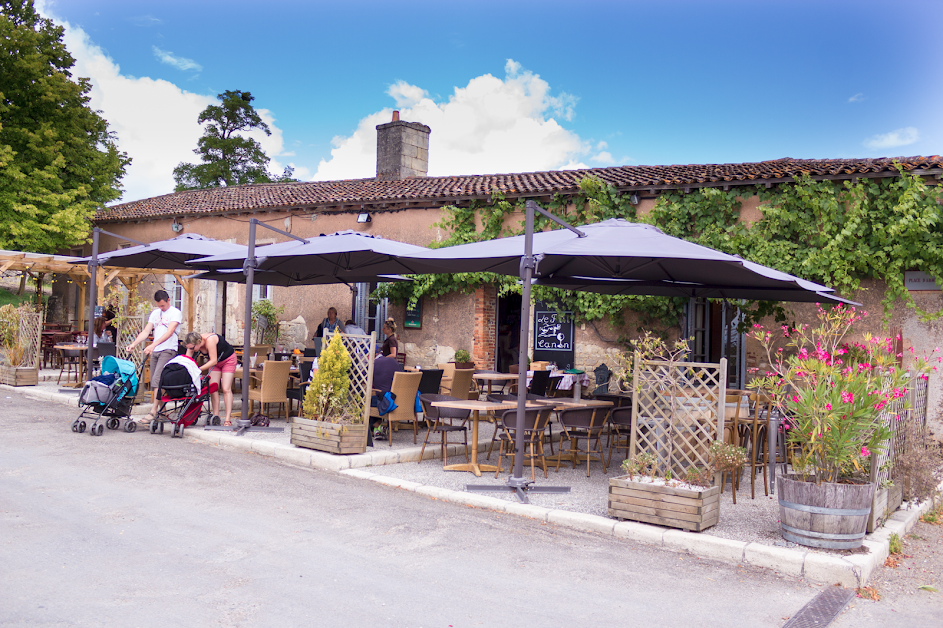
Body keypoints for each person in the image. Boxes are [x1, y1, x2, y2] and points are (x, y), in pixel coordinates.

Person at [126, 290, 182, 425]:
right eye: (159, 306)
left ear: (169, 300)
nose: (161, 308)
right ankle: (162, 412)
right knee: (155, 382)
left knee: (157, 379)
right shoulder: (155, 313)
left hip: (168, 349)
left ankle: (153, 411)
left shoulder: (175, 312)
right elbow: (146, 331)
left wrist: (153, 344)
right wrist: (134, 344)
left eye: (163, 306)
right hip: (156, 350)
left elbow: (169, 332)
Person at [184, 331, 236, 427]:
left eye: (192, 348)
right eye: (188, 348)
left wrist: (197, 370)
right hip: (216, 363)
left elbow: (213, 360)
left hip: (227, 360)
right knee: (213, 388)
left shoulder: (210, 340)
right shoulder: (193, 344)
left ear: (199, 342)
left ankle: (228, 418)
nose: (190, 350)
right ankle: (215, 416)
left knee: (226, 388)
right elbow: (187, 359)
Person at [369, 353, 403, 443]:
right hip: (400, 401)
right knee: (377, 398)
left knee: (363, 402)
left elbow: (367, 381)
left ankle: (378, 427)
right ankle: (378, 431)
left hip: (387, 403)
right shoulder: (394, 362)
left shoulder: (374, 364)